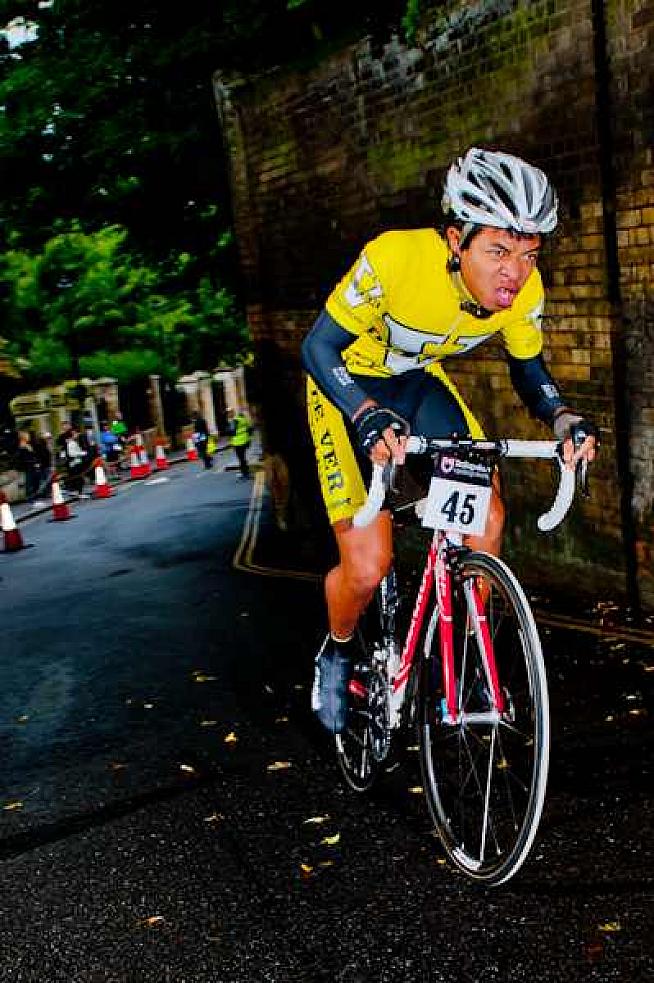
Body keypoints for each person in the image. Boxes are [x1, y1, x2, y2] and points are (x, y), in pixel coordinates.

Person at [301, 146, 599, 734]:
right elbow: (318, 347)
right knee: (368, 566)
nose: (515, 272)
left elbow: (529, 370)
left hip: (416, 386)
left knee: (487, 518)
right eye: (498, 251)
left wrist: (563, 419)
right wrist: (364, 414)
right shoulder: (396, 258)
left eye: (529, 253)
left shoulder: (525, 293)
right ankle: (337, 648)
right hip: (346, 388)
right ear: (456, 240)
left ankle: (466, 650)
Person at [227, 408, 253, 479]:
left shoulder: (234, 421)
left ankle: (245, 473)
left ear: (232, 413)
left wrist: (227, 430)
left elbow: (231, 432)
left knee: (241, 458)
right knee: (243, 457)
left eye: (229, 413)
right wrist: (249, 438)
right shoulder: (242, 419)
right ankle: (246, 471)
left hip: (238, 442)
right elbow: (250, 428)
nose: (228, 415)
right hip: (245, 440)